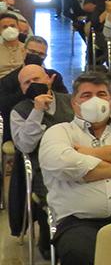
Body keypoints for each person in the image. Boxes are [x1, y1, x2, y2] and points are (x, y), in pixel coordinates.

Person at [40, 72, 111, 265]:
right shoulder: (58, 132)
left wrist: (88, 152)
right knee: (80, 254)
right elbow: (64, 163)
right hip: (79, 222)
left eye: (102, 94)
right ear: (74, 103)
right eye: (87, 95)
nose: (95, 100)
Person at [10, 64, 74, 259]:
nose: (32, 85)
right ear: (21, 89)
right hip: (43, 170)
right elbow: (25, 146)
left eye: (36, 80)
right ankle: (53, 237)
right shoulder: (19, 111)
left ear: (49, 79)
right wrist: (37, 111)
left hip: (74, 159)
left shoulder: (70, 101)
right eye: (26, 83)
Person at [0, 11, 26, 77]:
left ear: (18, 28)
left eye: (12, 26)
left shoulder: (27, 49)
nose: (9, 29)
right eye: (5, 27)